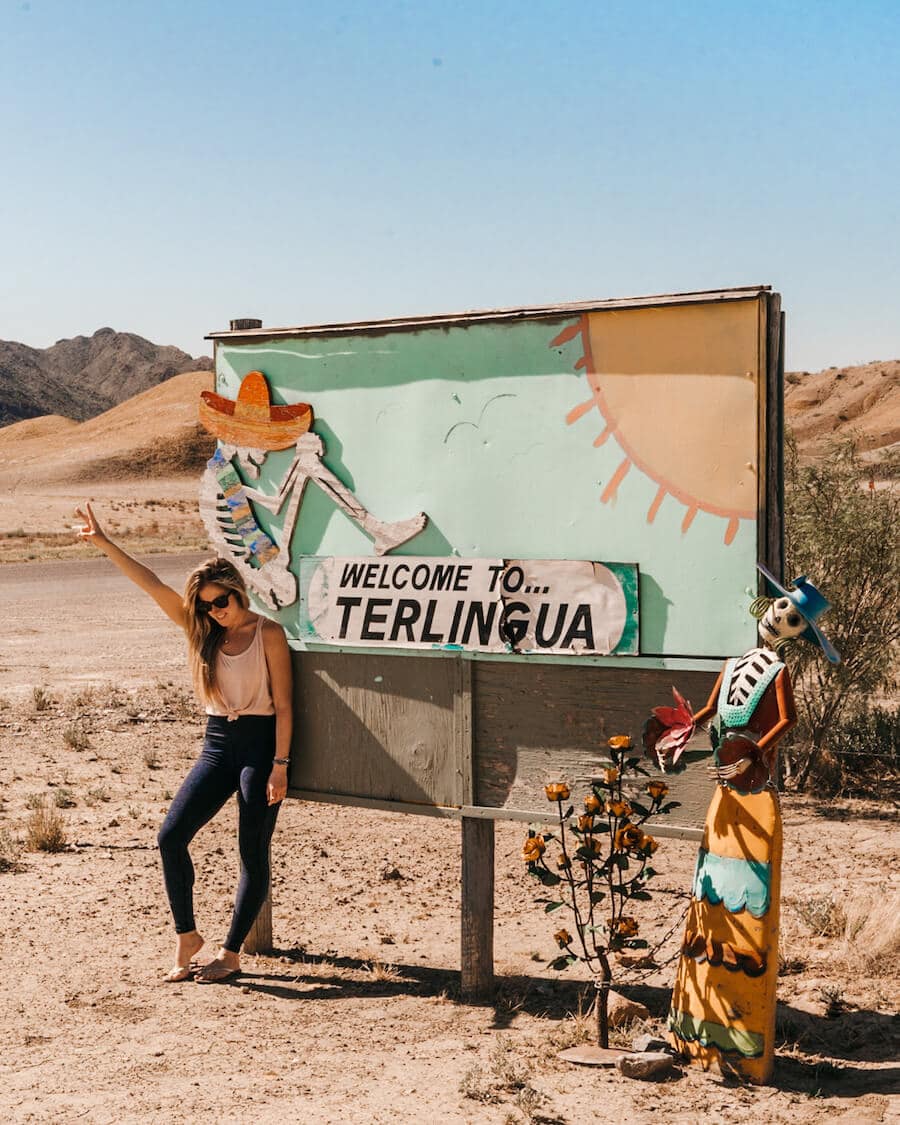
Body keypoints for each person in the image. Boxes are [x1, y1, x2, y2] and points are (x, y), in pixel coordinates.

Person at [75, 502, 293, 984]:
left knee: (251, 852)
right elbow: (154, 585)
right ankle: (187, 937)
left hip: (259, 746)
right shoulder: (204, 633)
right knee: (170, 837)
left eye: (222, 602)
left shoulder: (268, 633)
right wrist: (105, 543)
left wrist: (280, 764)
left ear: (238, 594)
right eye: (207, 605)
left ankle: (231, 953)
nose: (215, 612)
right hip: (218, 743)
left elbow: (284, 706)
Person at [644, 566, 839, 1083]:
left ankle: (741, 1032)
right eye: (780, 608)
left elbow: (787, 719)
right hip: (724, 787)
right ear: (765, 610)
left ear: (800, 632)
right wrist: (685, 729)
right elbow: (709, 709)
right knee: (709, 887)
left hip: (753, 786)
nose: (781, 618)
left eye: (793, 617)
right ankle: (698, 1024)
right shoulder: (733, 664)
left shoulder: (777, 672)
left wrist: (757, 748)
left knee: (747, 891)